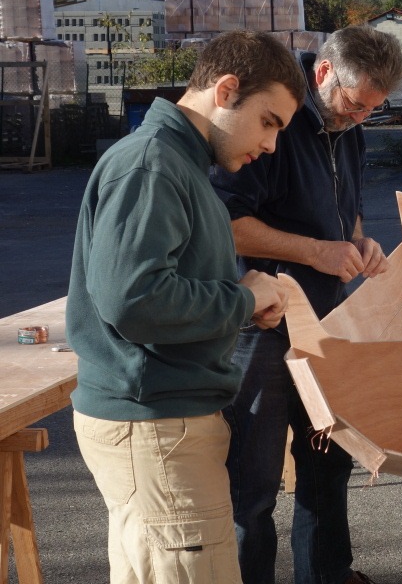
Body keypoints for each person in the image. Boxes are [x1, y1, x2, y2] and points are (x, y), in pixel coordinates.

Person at [67, 30, 307, 583]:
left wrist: (240, 299)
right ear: (226, 91)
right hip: (155, 424)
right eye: (269, 122)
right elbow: (134, 299)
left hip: (163, 423)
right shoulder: (153, 164)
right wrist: (242, 297)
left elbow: (162, 284)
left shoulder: (177, 161)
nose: (272, 146)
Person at [209, 25, 402, 584]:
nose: (360, 117)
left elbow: (348, 208)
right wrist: (316, 251)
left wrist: (359, 241)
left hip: (322, 320)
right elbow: (227, 223)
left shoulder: (348, 125)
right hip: (262, 324)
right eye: (354, 104)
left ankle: (327, 575)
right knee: (254, 480)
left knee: (328, 462)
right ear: (323, 74)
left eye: (373, 109)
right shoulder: (273, 119)